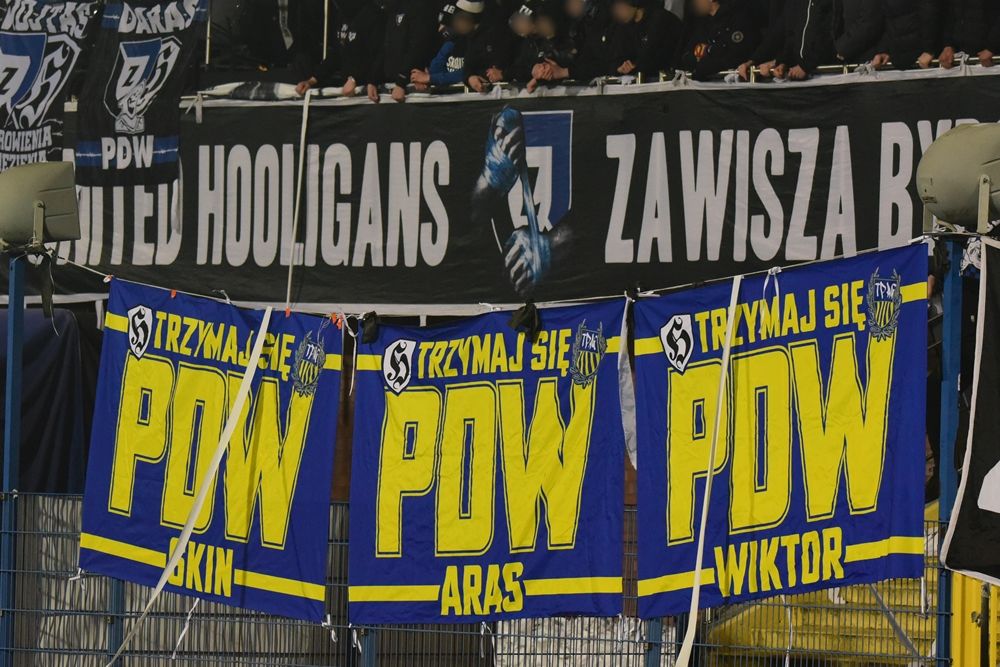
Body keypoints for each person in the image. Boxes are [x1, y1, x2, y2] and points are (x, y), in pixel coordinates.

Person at [296, 0, 383, 95]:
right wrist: (312, 80)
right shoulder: (342, 14)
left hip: (370, 89)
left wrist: (356, 79)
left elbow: (379, 55)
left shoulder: (374, 15)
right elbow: (337, 53)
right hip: (348, 88)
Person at [370, 0, 440, 102]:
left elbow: (419, 46)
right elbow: (385, 47)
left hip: (411, 85)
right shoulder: (391, 8)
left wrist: (401, 81)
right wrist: (373, 80)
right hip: (390, 83)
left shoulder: (421, 6)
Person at [411, 0, 486, 90]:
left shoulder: (481, 43)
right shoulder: (451, 42)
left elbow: (468, 73)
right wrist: (423, 79)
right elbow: (435, 69)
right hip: (450, 96)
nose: (441, 29)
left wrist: (431, 78)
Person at [677, 0, 760, 80]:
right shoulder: (702, 25)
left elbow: (736, 55)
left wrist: (707, 63)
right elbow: (687, 56)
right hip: (705, 84)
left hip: (730, 83)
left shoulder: (736, 18)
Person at [606, 0, 683, 81]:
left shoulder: (660, 19)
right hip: (641, 79)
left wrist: (634, 67)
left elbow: (652, 59)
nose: (618, 13)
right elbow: (615, 59)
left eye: (621, 7)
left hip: (668, 80)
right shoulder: (624, 27)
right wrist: (620, 68)